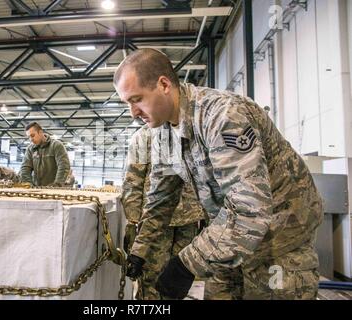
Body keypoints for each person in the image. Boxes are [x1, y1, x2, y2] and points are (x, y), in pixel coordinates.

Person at [114, 49, 323, 300]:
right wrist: (141, 250)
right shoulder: (163, 134)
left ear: (164, 85)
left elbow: (250, 210)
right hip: (227, 238)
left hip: (280, 240)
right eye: (127, 103)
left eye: (136, 99)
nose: (132, 113)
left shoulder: (222, 115)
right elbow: (161, 201)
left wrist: (186, 263)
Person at [122, 124, 207, 300]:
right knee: (151, 279)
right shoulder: (143, 136)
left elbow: (203, 177)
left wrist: (205, 216)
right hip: (155, 222)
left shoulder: (190, 131)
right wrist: (132, 221)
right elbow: (133, 181)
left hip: (189, 218)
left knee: (177, 280)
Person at [20, 122, 70, 187]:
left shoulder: (56, 146)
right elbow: (25, 168)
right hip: (36, 190)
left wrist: (57, 184)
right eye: (29, 137)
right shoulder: (30, 149)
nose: (31, 139)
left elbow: (64, 166)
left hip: (55, 189)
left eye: (32, 135)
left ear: (40, 132)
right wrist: (28, 184)